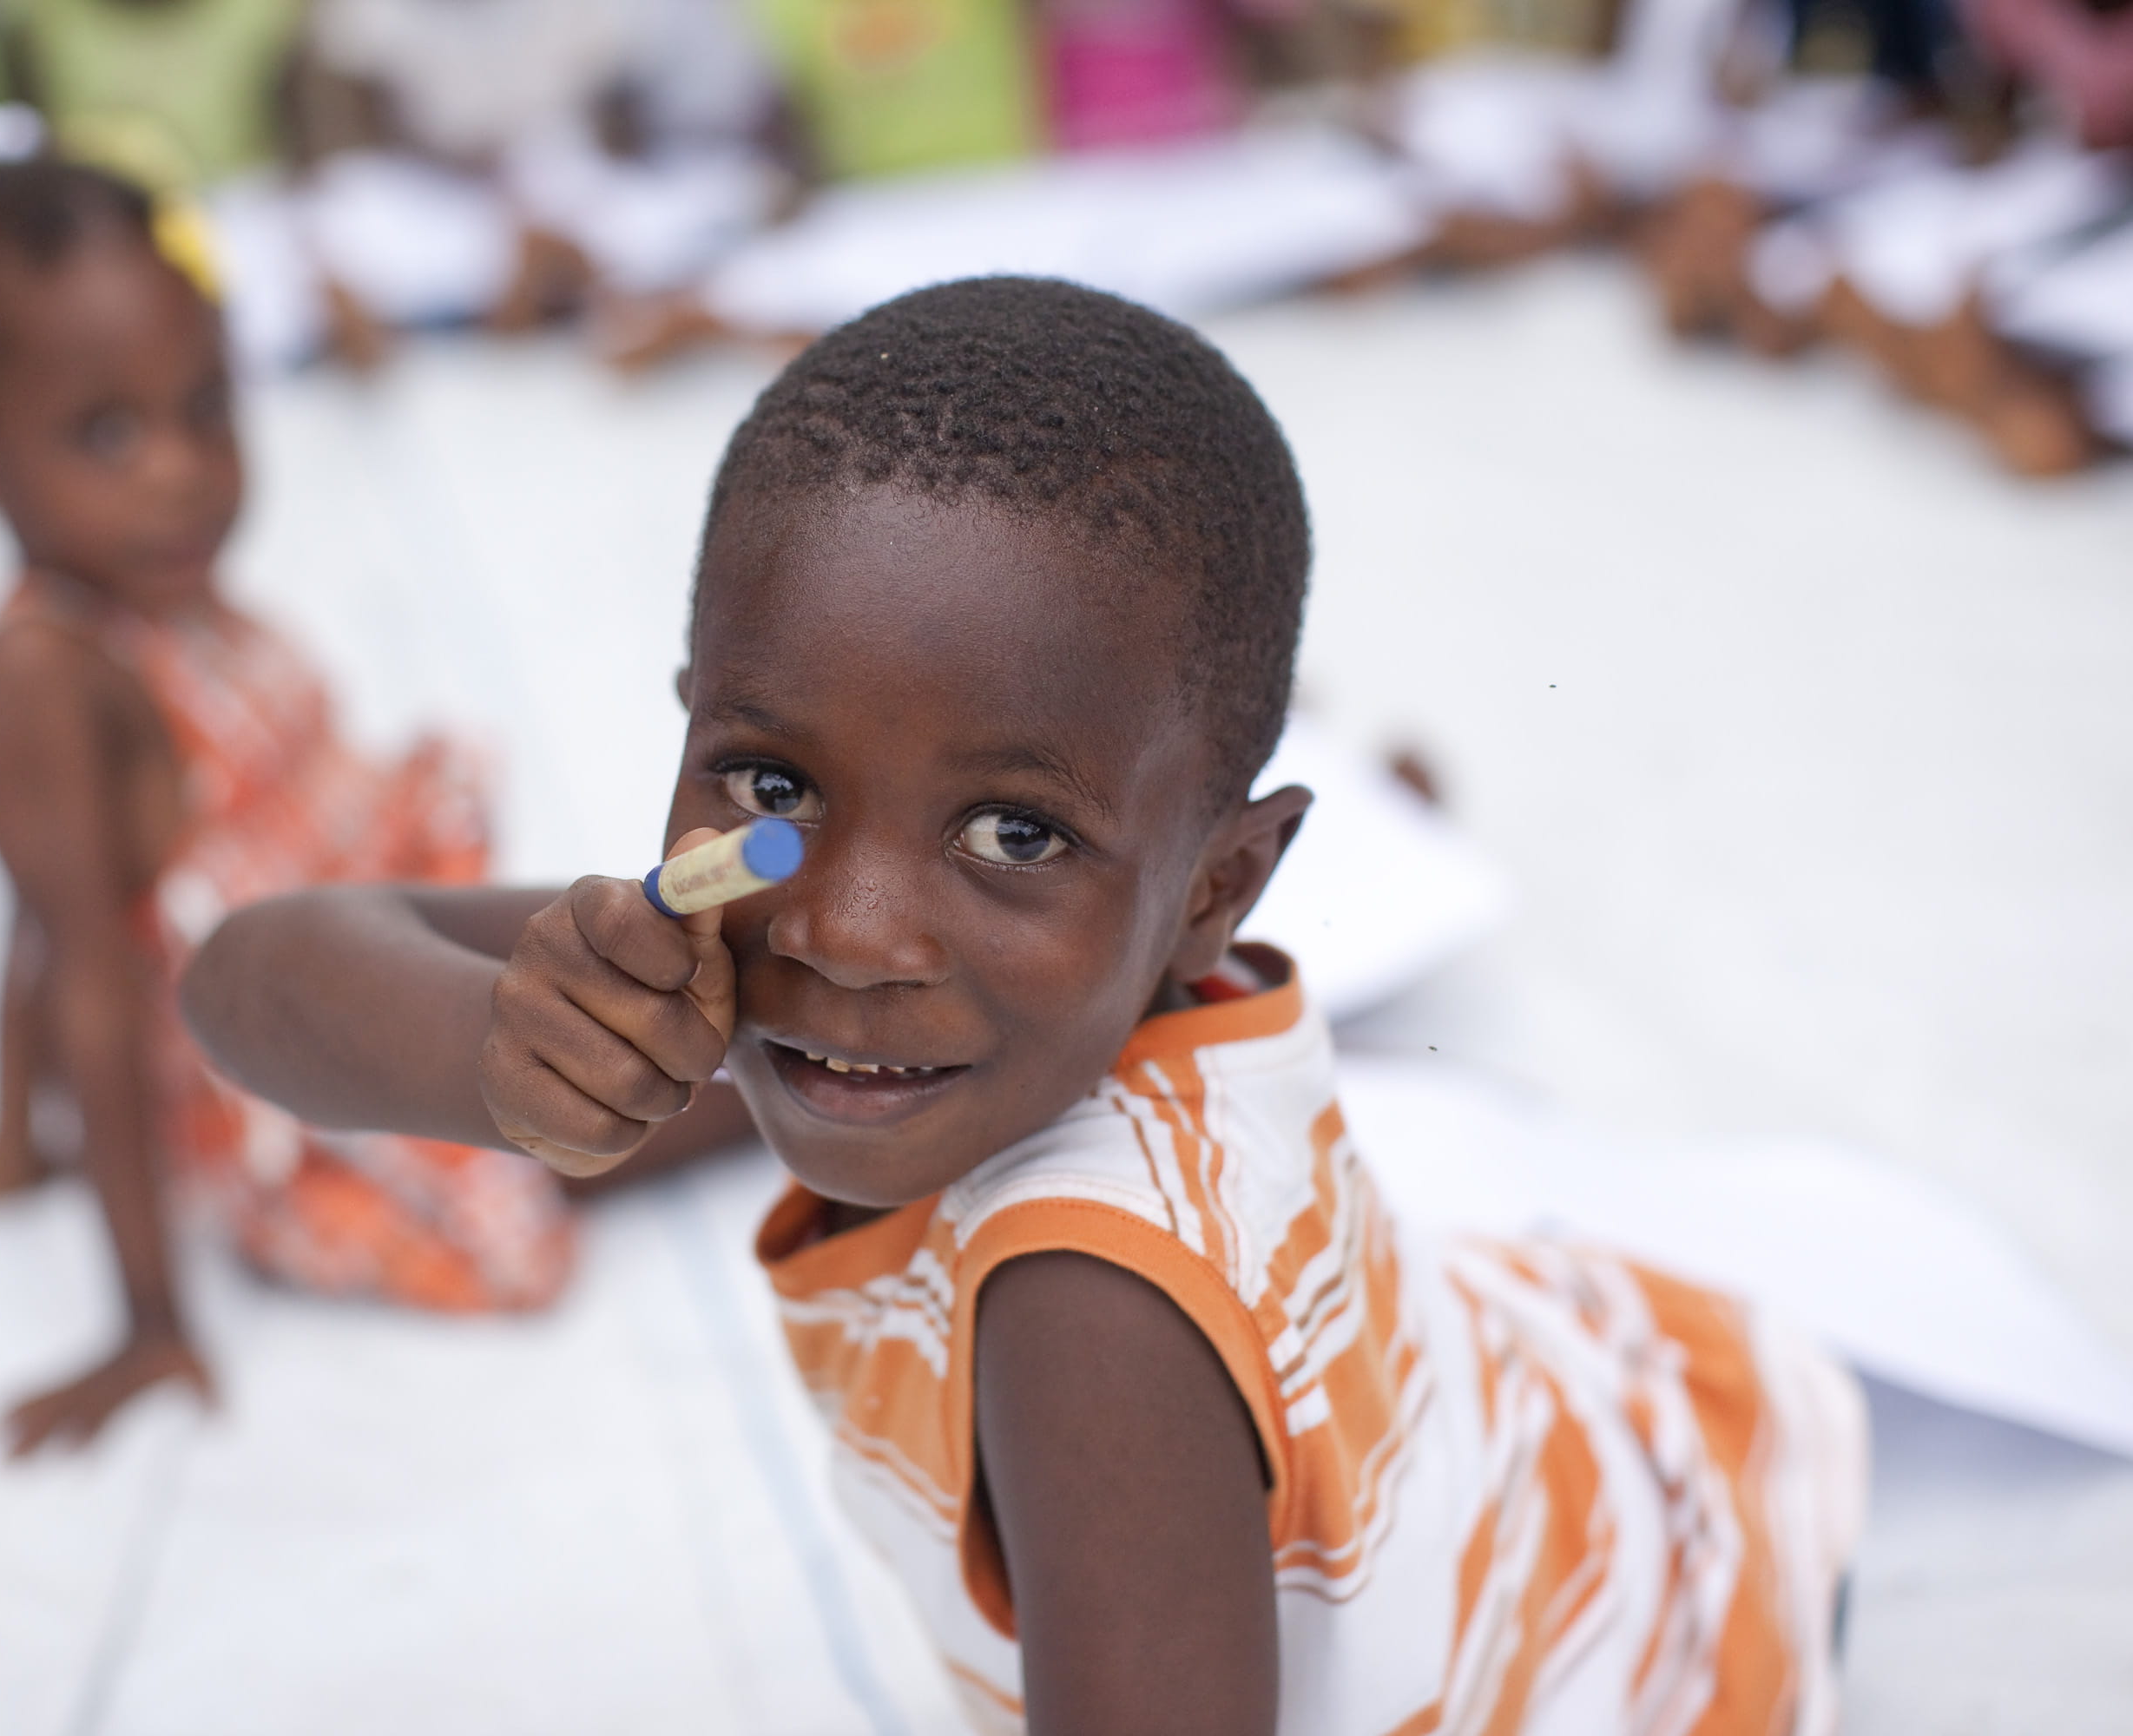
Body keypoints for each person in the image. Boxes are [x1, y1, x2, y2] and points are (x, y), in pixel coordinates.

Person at [179, 276, 1869, 1733]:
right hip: (1533, 1420)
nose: (848, 930)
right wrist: (492, 1060)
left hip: (1631, 1640)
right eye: (773, 777)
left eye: (1015, 833)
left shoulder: (1092, 1304)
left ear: (1218, 885)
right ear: (699, 719)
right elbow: (246, 977)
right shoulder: (755, 923)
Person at [0, 157, 603, 1457]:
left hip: (368, 932)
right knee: (606, 1101)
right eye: (107, 433)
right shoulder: (43, 677)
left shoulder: (154, 591)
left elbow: (38, 911)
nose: (179, 473)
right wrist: (150, 1318)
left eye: (206, 408)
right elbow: (75, 958)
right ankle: (809, 1086)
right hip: (294, 1072)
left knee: (627, 971)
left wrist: (7, 1141)